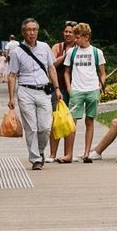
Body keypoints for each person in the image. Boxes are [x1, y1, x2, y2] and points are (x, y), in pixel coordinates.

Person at [5, 19, 58, 169]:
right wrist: (11, 97)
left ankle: (40, 151)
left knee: (45, 127)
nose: (32, 33)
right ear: (23, 32)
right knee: (31, 127)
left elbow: (51, 68)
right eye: (29, 30)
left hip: (43, 90)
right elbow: (12, 75)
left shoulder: (45, 47)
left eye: (34, 29)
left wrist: (57, 88)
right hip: (25, 90)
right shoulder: (17, 52)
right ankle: (35, 159)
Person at [63, 22, 105, 162]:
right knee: (71, 122)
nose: (75, 40)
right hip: (77, 90)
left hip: (92, 89)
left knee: (90, 121)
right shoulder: (72, 52)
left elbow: (102, 72)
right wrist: (69, 88)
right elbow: (67, 71)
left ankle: (87, 153)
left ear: (86, 37)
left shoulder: (96, 52)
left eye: (78, 37)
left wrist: (100, 86)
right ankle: (69, 154)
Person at [49, 22, 76, 164]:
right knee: (57, 119)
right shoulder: (57, 47)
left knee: (70, 121)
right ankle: (52, 154)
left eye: (71, 32)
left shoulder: (80, 48)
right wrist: (65, 56)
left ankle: (68, 154)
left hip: (75, 88)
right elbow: (51, 64)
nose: (68, 34)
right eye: (66, 31)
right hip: (58, 88)